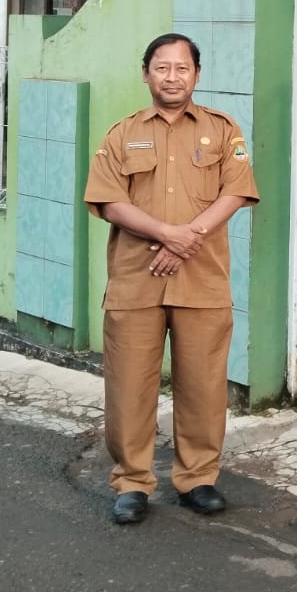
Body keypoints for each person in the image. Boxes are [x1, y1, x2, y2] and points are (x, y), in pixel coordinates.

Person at [84, 34, 259, 526]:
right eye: (162, 68)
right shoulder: (121, 134)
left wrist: (189, 238)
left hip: (202, 281)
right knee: (128, 386)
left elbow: (237, 190)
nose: (172, 77)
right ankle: (132, 482)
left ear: (197, 75)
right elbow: (107, 200)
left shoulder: (223, 131)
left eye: (182, 69)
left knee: (203, 385)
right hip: (136, 281)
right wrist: (168, 235)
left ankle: (198, 479)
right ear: (146, 73)